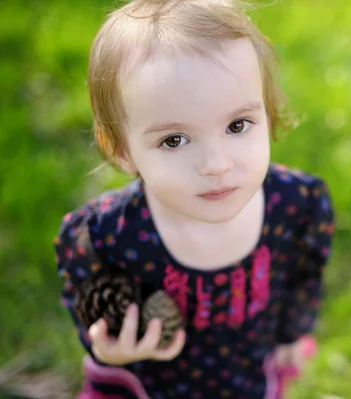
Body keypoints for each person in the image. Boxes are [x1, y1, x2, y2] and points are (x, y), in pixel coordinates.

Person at [53, 0, 335, 397]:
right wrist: (106, 349)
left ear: (268, 113)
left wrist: (293, 334)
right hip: (146, 384)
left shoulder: (297, 206)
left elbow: (304, 278)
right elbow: (84, 300)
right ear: (121, 150)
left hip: (245, 375)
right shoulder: (103, 236)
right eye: (174, 140)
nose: (216, 164)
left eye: (238, 125)